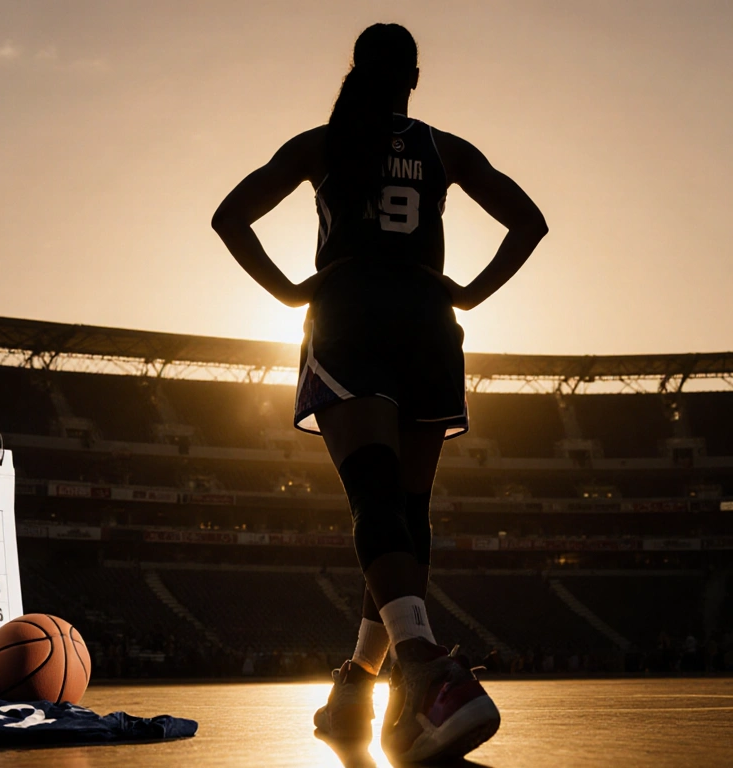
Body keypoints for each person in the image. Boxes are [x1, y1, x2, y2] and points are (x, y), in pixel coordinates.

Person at [212, 22, 547, 762]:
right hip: (428, 323)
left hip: (351, 315)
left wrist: (291, 291)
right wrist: (468, 293)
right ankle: (359, 686)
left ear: (355, 70)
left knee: (372, 499)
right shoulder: (443, 148)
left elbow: (228, 217)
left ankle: (425, 669)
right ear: (415, 78)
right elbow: (530, 222)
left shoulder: (323, 143)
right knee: (406, 512)